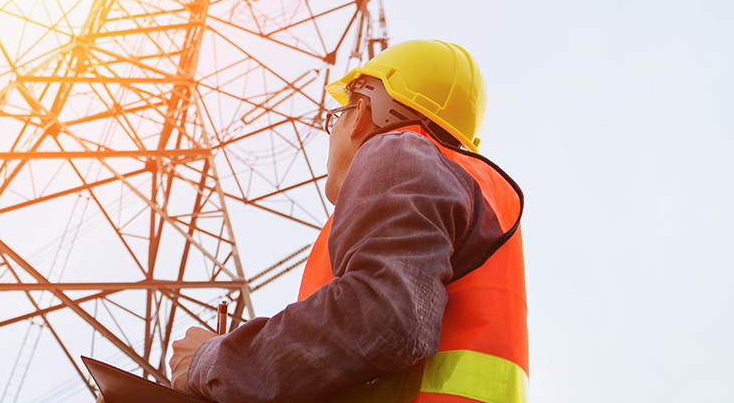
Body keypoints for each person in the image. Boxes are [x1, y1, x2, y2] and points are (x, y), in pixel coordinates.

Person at [167, 39, 529, 403]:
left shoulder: (401, 151)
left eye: (336, 116)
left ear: (363, 112)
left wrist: (212, 361)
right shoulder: (462, 187)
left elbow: (382, 318)